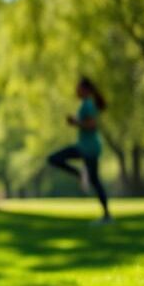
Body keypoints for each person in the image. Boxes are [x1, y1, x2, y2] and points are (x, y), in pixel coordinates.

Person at [47, 76, 111, 223]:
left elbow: (91, 125)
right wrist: (76, 122)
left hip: (87, 147)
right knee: (95, 180)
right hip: (90, 146)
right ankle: (107, 215)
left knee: (54, 158)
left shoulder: (87, 104)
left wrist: (75, 122)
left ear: (85, 90)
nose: (76, 91)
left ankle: (80, 173)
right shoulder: (88, 104)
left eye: (78, 88)